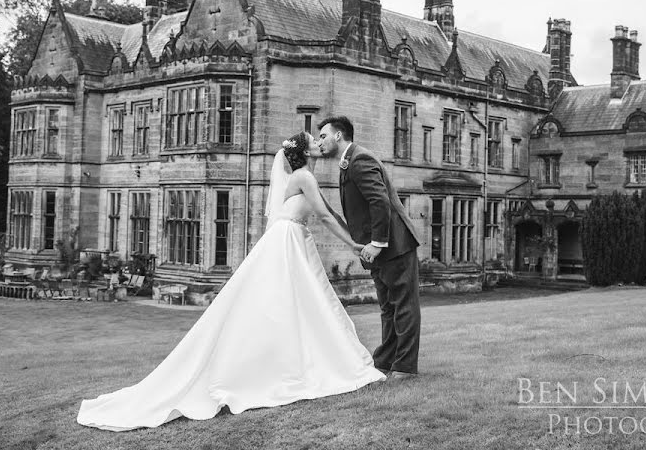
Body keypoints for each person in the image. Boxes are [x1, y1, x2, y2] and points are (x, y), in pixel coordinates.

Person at [76, 132, 385, 432]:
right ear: (304, 153)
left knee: (298, 304)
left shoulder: (304, 176)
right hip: (287, 240)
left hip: (292, 238)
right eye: (313, 141)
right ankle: (292, 367)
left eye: (321, 138)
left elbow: (328, 213)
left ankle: (294, 362)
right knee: (292, 303)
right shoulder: (304, 176)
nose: (319, 142)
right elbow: (327, 217)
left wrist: (359, 240)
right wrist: (356, 246)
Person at [317, 116, 421, 380]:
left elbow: (379, 201)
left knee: (404, 305)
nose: (320, 142)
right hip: (377, 249)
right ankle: (386, 360)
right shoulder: (348, 162)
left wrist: (377, 243)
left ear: (338, 136)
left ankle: (405, 367)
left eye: (323, 136)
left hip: (395, 245)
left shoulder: (360, 159)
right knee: (388, 306)